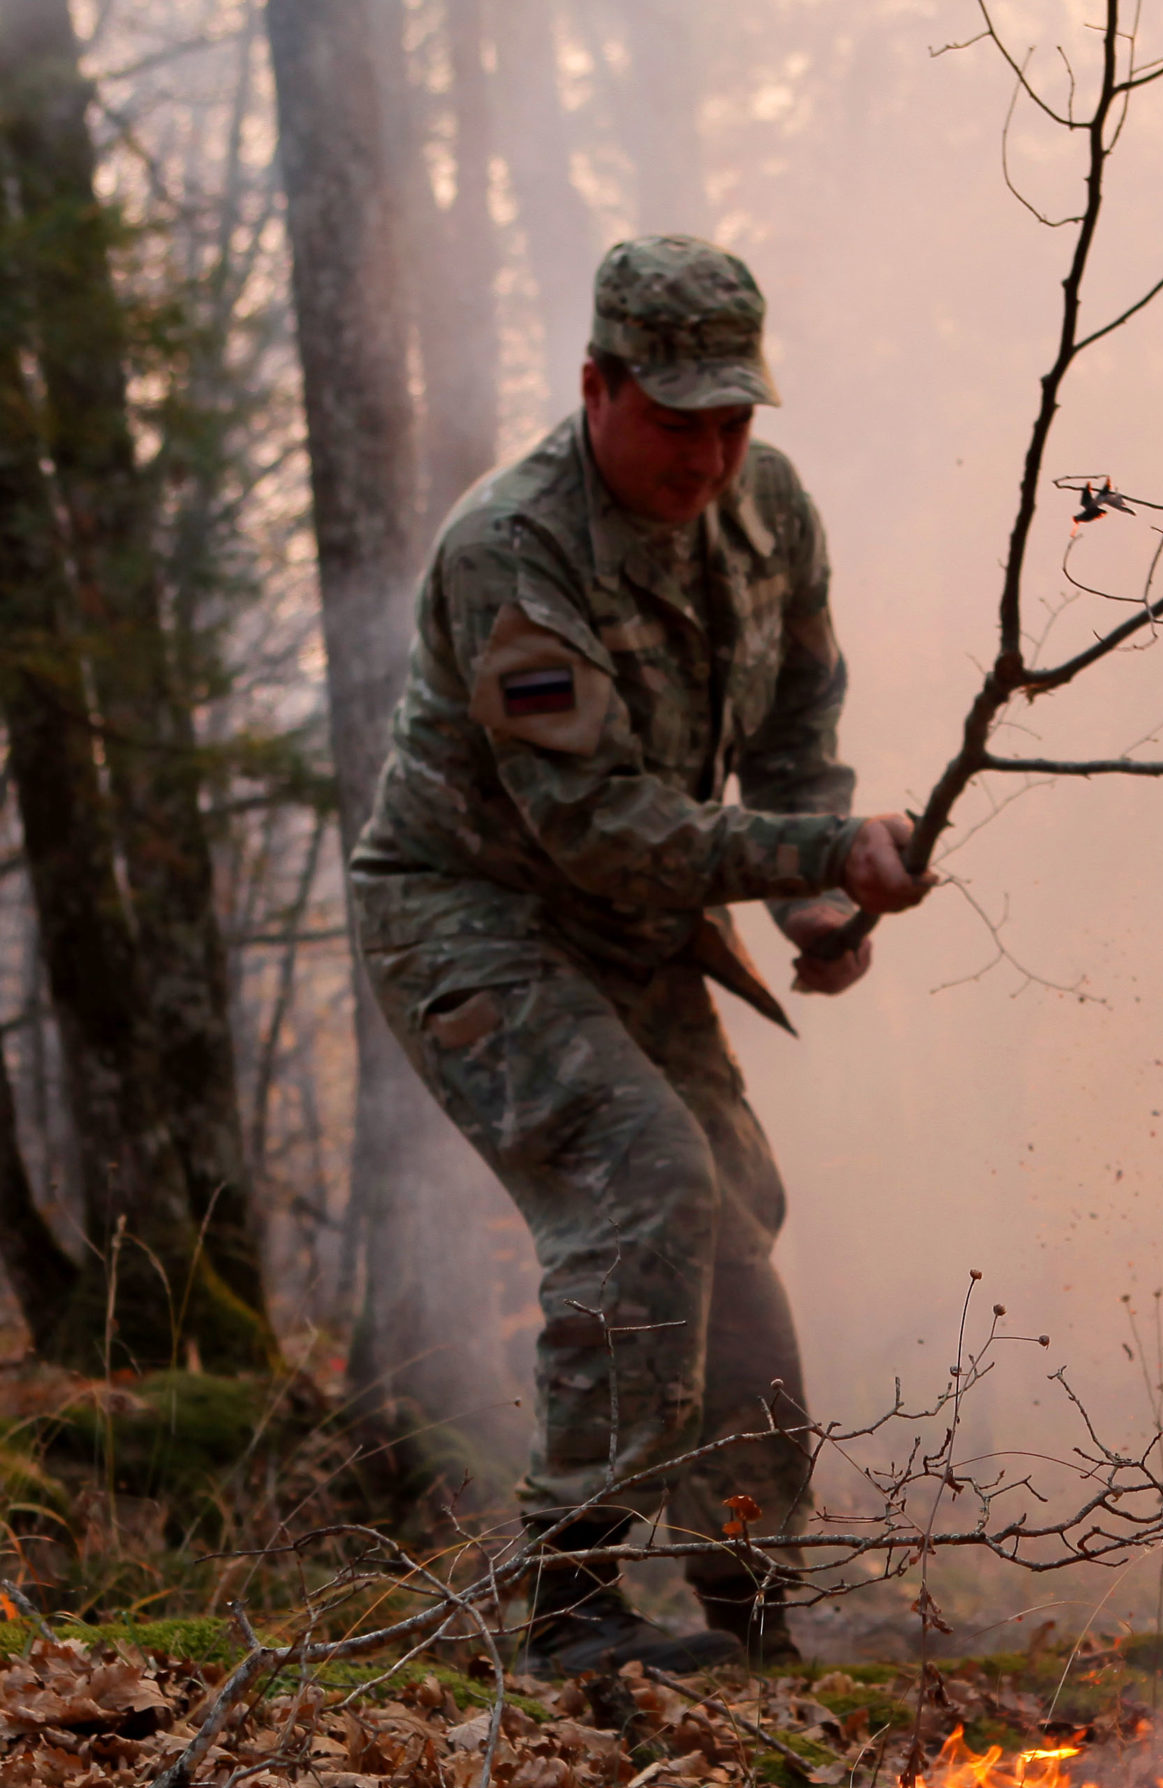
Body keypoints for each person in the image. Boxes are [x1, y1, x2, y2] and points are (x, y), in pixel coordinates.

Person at [349, 236, 925, 1674]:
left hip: (636, 926)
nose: (710, 454)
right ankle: (571, 1599)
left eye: (735, 419)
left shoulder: (768, 512)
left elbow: (795, 734)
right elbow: (598, 826)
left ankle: (746, 1598)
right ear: (598, 386)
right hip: (471, 915)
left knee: (731, 1211)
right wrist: (815, 854)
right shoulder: (511, 552)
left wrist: (812, 904)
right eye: (677, 422)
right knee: (645, 1182)